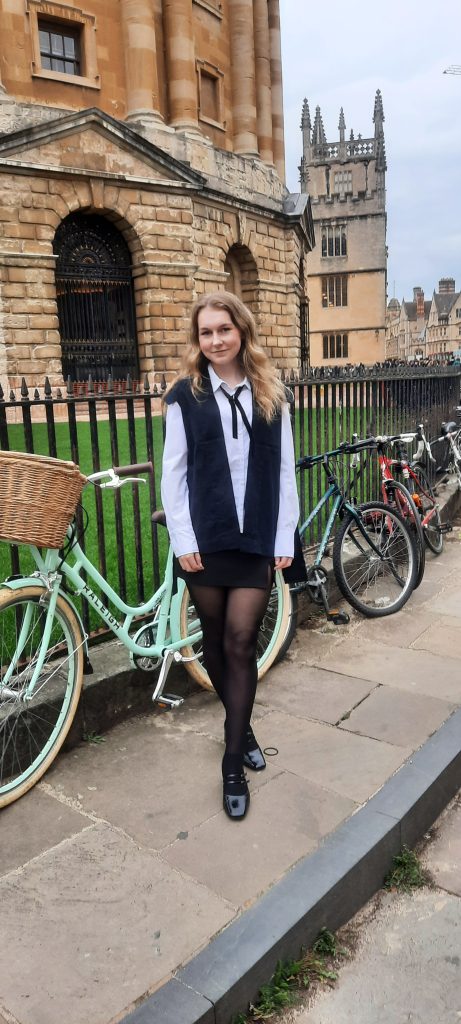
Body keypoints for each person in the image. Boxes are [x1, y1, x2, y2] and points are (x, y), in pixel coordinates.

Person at [160, 292, 301, 821]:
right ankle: (243, 728)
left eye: (224, 329)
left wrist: (284, 538)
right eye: (206, 332)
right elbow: (173, 474)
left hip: (256, 536)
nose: (216, 340)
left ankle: (231, 760)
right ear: (197, 340)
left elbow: (285, 470)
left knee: (241, 642)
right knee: (216, 644)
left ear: (242, 331)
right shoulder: (185, 396)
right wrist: (184, 541)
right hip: (207, 538)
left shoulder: (273, 394)